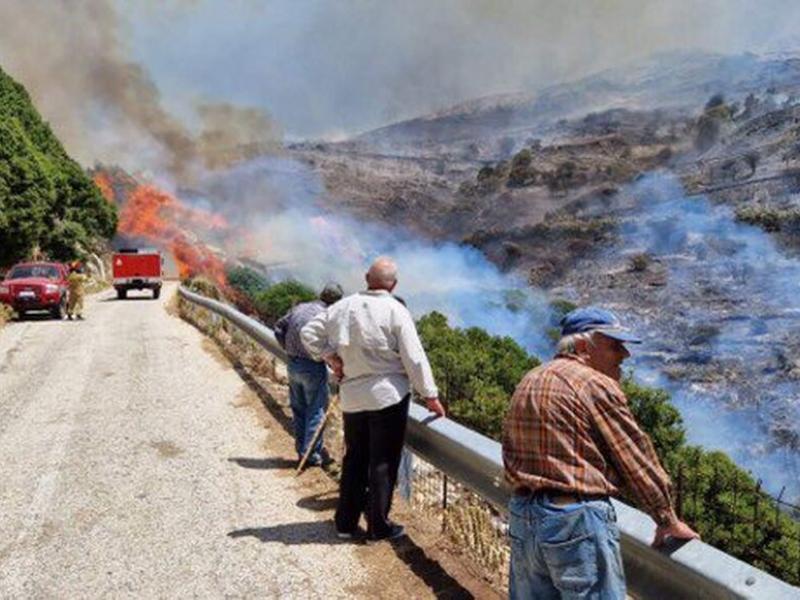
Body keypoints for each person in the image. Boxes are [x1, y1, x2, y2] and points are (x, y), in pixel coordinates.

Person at [502, 306, 699, 599]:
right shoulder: (594, 384)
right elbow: (634, 458)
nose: (624, 355)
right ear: (583, 346)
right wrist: (666, 518)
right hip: (575, 520)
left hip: (523, 515)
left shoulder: (531, 378)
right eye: (615, 345)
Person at [301, 256, 446, 542]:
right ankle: (378, 527)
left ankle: (344, 524)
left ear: (367, 277)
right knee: (382, 463)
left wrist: (331, 358)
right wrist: (431, 396)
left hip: (353, 397)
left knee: (354, 458)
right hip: (388, 396)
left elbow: (309, 332)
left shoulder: (343, 307)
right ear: (394, 284)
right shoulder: (396, 310)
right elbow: (414, 358)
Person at [274, 282, 344, 468]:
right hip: (312, 367)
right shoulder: (328, 316)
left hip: (293, 364)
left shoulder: (301, 307)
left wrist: (287, 348)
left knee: (298, 409)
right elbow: (334, 344)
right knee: (316, 409)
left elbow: (279, 327)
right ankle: (311, 454)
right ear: (336, 302)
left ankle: (301, 449)